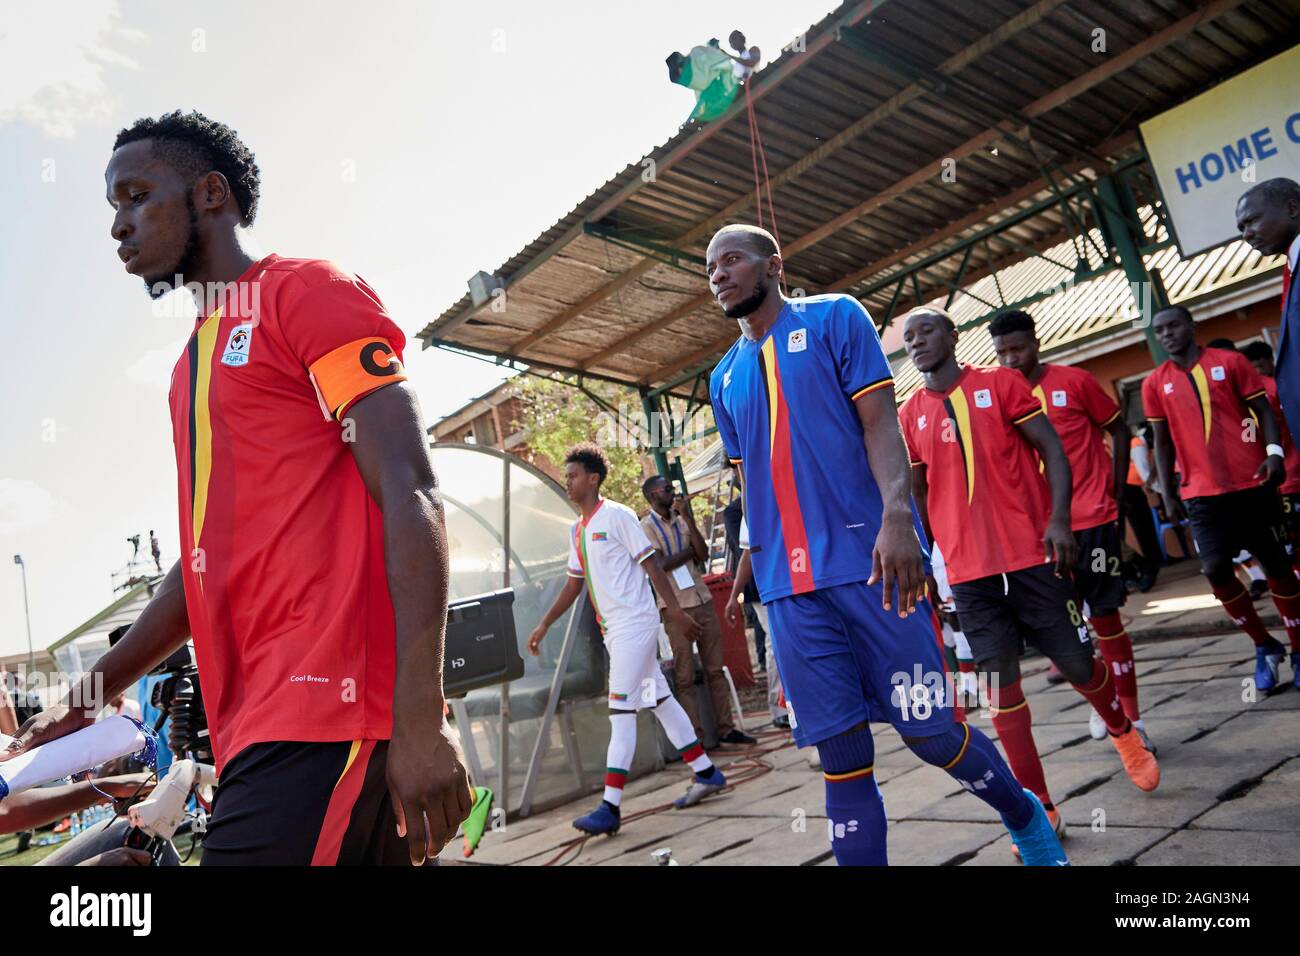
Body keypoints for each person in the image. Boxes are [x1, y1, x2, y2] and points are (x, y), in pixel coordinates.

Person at [2, 110, 471, 866]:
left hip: (329, 712)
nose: (118, 226)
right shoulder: (190, 366)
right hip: (259, 727)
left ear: (210, 195)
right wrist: (78, 703)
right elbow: (198, 570)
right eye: (112, 208)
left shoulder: (306, 292)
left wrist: (422, 712)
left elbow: (411, 486)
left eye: (135, 196)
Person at [707, 223, 1067, 866]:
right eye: (711, 268)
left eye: (733, 260)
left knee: (931, 733)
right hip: (790, 593)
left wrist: (898, 519)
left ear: (773, 264)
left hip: (872, 566)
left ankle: (1026, 814)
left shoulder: (834, 319)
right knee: (841, 757)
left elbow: (880, 427)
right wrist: (747, 573)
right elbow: (751, 484)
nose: (719, 274)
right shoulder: (723, 377)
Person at [900, 306, 1159, 855]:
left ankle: (1121, 730)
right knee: (999, 690)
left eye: (927, 331)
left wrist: (1059, 520)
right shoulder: (910, 414)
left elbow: (1054, 451)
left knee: (1076, 662)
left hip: (1031, 558)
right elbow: (918, 493)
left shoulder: (1002, 384)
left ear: (951, 336)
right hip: (970, 575)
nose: (917, 342)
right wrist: (932, 560)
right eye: (908, 338)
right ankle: (1039, 807)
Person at [528, 444, 728, 836]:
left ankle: (610, 807)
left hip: (635, 627)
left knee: (620, 714)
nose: (567, 482)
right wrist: (544, 624)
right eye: (566, 476)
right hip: (615, 632)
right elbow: (574, 584)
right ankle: (706, 772)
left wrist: (674, 611)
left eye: (572, 475)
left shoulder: (617, 516)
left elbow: (651, 564)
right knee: (660, 700)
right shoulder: (578, 530)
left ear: (593, 479)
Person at [989, 309, 1153, 751]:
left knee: (1106, 617)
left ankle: (1133, 718)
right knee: (1069, 628)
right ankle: (1106, 706)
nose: (1010, 359)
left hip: (1093, 522)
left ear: (1036, 343)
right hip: (1039, 535)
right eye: (1001, 352)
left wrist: (1116, 493)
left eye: (1018, 348)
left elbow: (1118, 431)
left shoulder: (1074, 381)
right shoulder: (997, 397)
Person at [1144, 306, 1300, 692]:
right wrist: (1168, 492)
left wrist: (1274, 454)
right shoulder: (1154, 383)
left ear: (1191, 326)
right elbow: (1161, 444)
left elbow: (1262, 411)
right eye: (1160, 330)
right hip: (1201, 495)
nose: (1167, 335)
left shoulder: (1230, 363)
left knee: (1278, 565)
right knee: (1214, 568)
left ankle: (1298, 649)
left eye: (1174, 325)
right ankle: (1265, 645)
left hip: (1253, 484)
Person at [640, 475, 754, 747]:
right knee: (685, 676)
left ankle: (726, 728)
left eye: (672, 488)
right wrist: (688, 552)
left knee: (715, 669)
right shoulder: (646, 527)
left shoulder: (681, 520)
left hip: (700, 599)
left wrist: (688, 519)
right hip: (676, 606)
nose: (673, 493)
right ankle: (696, 738)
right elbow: (661, 564)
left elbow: (701, 553)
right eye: (667, 489)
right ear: (653, 495)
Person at [1236, 178, 1300, 418]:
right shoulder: (1292, 268)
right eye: (1241, 228)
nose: (1246, 234)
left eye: (1252, 220)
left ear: (1292, 209)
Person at [1242, 339, 1300, 564]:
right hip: (1281, 474)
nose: (1257, 371)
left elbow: (1248, 434)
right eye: (1253, 367)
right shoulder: (1270, 387)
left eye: (1260, 365)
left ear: (1270, 360)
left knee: (1290, 535)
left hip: (1286, 472)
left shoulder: (1270, 388)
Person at [1123, 425, 1162, 591]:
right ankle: (1134, 573)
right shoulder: (1133, 444)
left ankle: (1149, 569)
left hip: (1131, 492)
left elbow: (1143, 471)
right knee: (1135, 536)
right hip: (1125, 493)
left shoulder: (1133, 443)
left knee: (1142, 534)